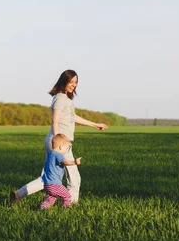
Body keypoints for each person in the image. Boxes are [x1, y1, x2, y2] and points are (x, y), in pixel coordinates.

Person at [9, 69, 108, 205]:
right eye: (71, 82)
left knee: (48, 177)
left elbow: (73, 117)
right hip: (59, 144)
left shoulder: (64, 98)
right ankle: (70, 207)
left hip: (59, 143)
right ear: (64, 81)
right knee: (74, 178)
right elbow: (55, 121)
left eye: (76, 82)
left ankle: (18, 194)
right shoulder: (61, 98)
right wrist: (57, 143)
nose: (74, 85)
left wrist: (94, 124)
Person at [39, 133, 81, 210]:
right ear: (61, 147)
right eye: (67, 148)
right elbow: (65, 162)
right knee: (67, 196)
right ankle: (66, 209)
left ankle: (42, 209)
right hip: (55, 184)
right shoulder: (58, 155)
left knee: (51, 199)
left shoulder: (50, 154)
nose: (66, 151)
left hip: (47, 184)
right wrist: (74, 162)